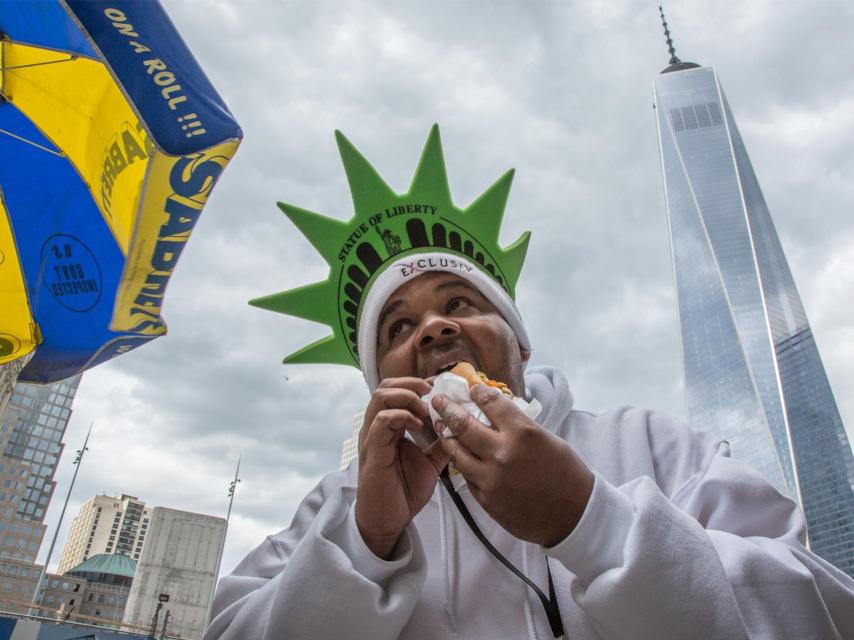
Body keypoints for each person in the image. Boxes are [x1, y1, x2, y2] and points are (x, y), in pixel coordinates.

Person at [204, 127, 854, 640]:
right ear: (381, 382)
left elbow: (819, 610)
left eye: (458, 303)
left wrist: (587, 518)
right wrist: (364, 546)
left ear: (518, 339)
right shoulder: (336, 504)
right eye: (397, 325)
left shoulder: (646, 444)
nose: (431, 329)